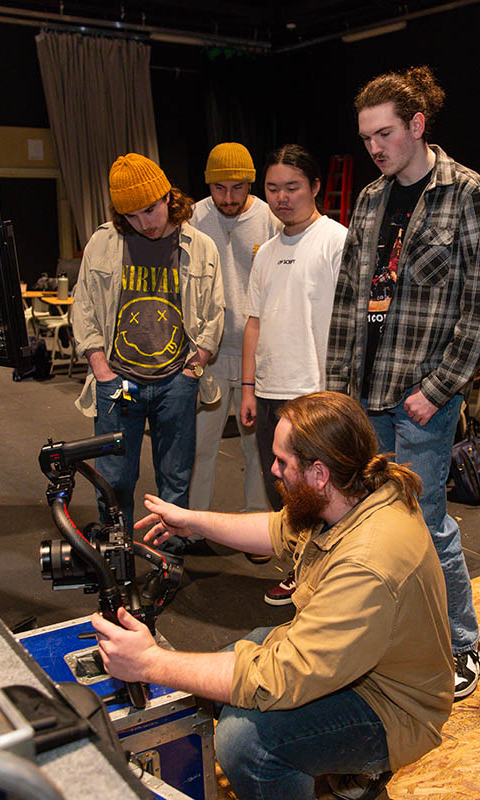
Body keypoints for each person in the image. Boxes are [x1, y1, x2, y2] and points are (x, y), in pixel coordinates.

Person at [90, 391, 452, 800]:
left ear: (318, 473)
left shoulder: (367, 562)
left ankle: (359, 766)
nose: (273, 469)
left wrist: (149, 663)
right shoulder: (351, 493)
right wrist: (192, 523)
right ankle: (343, 773)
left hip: (393, 707)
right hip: (363, 664)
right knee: (230, 666)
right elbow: (276, 531)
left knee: (246, 744)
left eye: (282, 461)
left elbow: (280, 675)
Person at [325, 66, 480, 700]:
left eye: (385, 133)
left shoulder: (470, 195)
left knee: (426, 524)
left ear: (417, 125)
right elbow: (348, 302)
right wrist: (335, 392)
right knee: (371, 524)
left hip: (422, 398)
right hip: (365, 392)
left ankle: (461, 642)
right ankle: (391, 638)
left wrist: (437, 389)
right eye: (367, 136)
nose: (374, 148)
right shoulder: (371, 200)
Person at [71, 153, 223, 545]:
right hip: (120, 381)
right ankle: (116, 552)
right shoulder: (104, 243)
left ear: (168, 198)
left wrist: (196, 365)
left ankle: (168, 554)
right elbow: (83, 306)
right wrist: (101, 369)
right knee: (115, 476)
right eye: (132, 216)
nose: (145, 223)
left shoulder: (200, 245)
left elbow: (214, 310)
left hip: (176, 381)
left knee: (175, 477)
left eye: (150, 210)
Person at [240, 144, 347, 604]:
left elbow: (349, 323)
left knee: (325, 494)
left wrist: (338, 393)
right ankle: (301, 570)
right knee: (282, 489)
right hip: (269, 391)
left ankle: (330, 578)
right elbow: (254, 322)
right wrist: (247, 387)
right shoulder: (265, 252)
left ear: (315, 187)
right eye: (273, 189)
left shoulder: (335, 241)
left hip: (315, 393)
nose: (282, 198)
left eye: (292, 187)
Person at [190, 143, 280, 527]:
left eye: (238, 188)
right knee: (200, 447)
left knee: (258, 450)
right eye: (219, 188)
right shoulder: (192, 218)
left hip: (258, 356)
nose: (228, 198)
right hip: (205, 355)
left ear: (251, 184)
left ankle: (258, 522)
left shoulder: (270, 218)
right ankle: (193, 524)